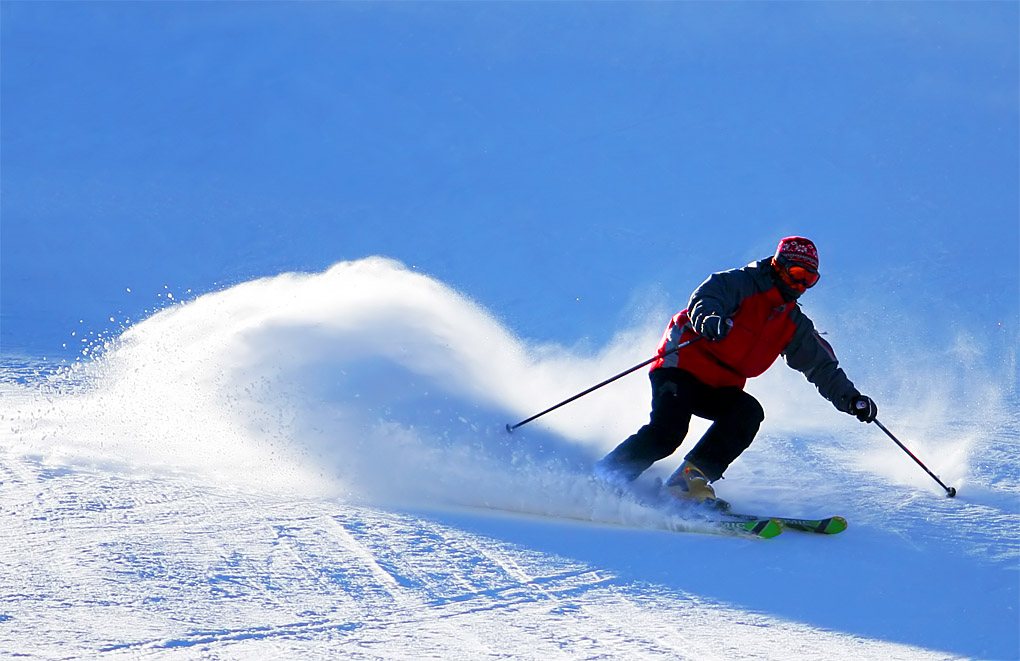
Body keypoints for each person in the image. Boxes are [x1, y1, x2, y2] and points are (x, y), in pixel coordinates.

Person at [594, 236, 877, 503]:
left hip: (721, 385)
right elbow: (707, 298)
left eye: (810, 279)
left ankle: (688, 483)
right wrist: (710, 319)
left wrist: (851, 399)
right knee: (668, 432)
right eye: (796, 273)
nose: (801, 285)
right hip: (683, 367)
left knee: (747, 412)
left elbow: (822, 366)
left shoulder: (793, 323)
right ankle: (607, 478)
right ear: (778, 266)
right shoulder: (740, 283)